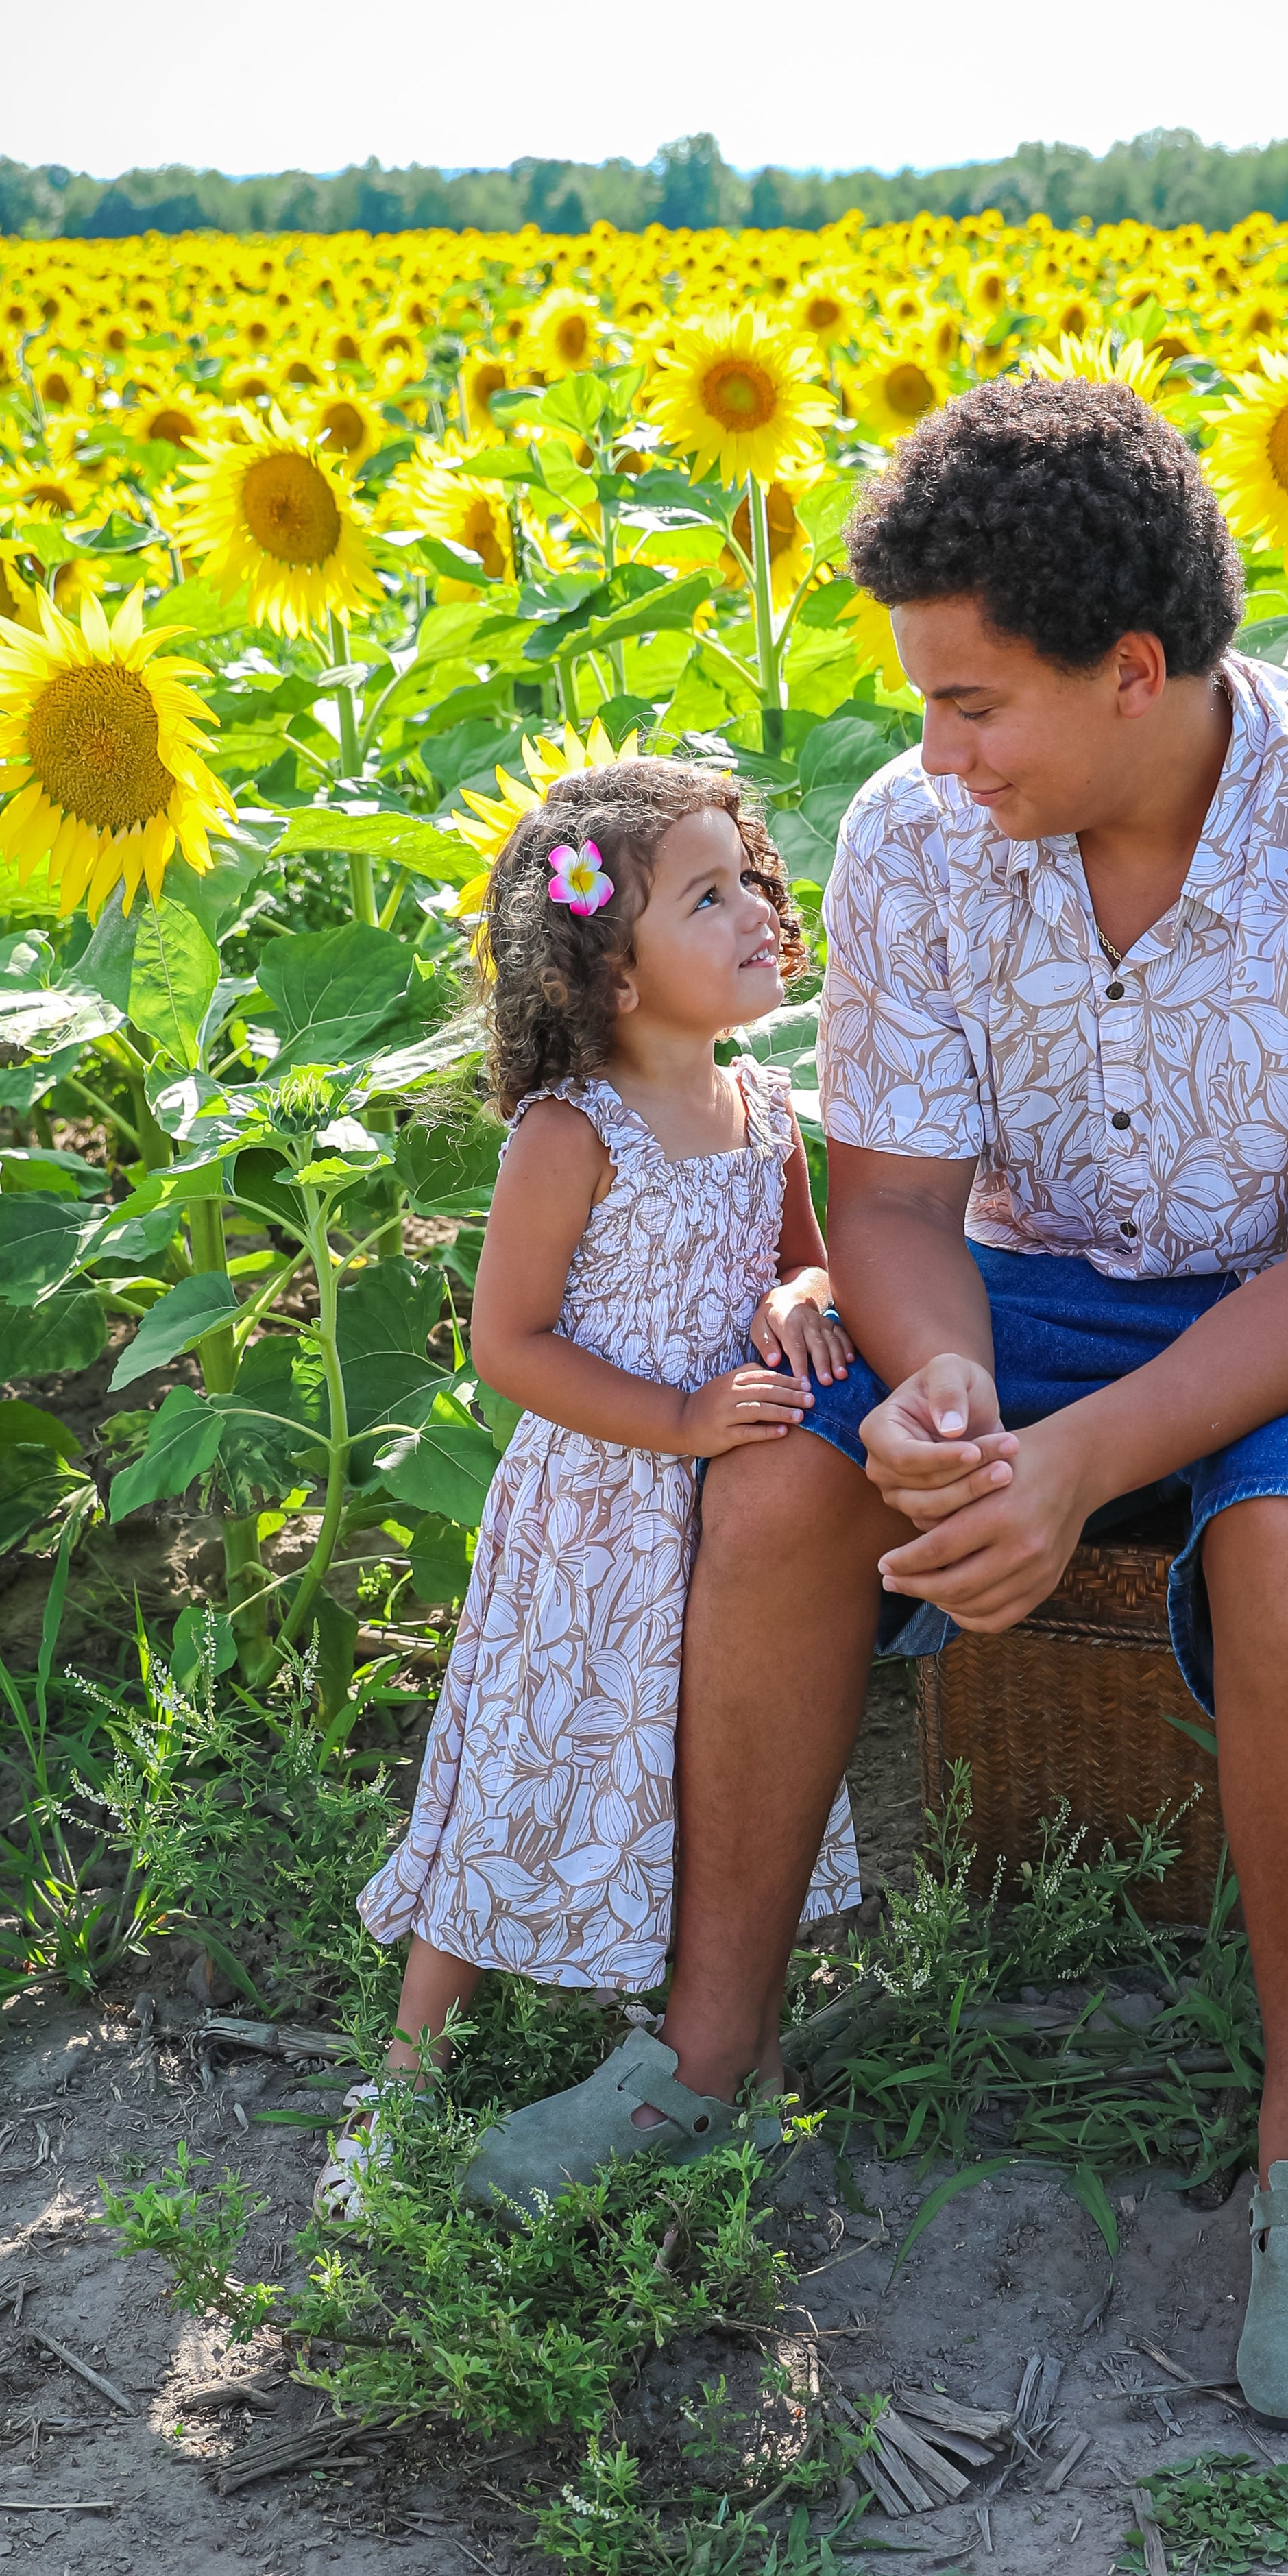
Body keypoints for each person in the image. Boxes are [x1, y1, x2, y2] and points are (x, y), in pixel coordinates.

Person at [465, 379, 1288, 2429]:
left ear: (1135, 670)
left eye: (975, 703)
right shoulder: (917, 835)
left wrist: (1082, 1463)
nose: (938, 752)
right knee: (784, 1478)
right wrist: (951, 1387)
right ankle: (708, 2053)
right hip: (1034, 1285)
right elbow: (887, 1200)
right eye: (926, 703)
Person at [321, 757, 860, 2219]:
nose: (758, 910)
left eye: (751, 878)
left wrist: (797, 1299)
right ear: (613, 972)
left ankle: (715, 2047)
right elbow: (508, 1343)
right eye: (709, 895)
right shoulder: (573, 1132)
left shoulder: (764, 1107)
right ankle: (405, 2080)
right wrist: (677, 1415)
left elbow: (807, 1258)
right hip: (594, 1524)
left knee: (704, 1763)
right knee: (524, 1769)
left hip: (718, 1511)